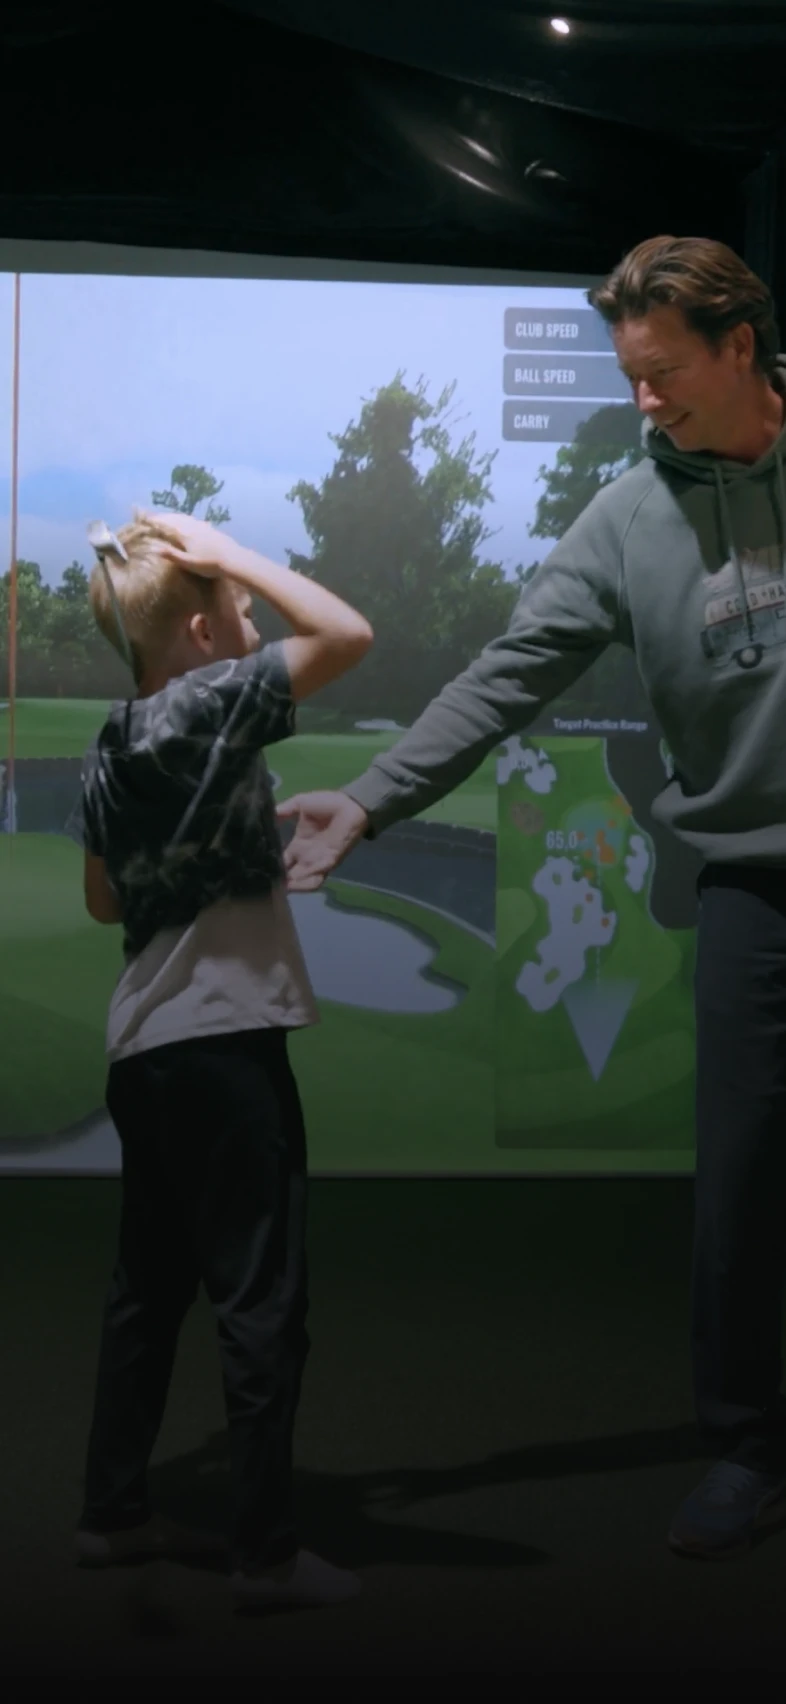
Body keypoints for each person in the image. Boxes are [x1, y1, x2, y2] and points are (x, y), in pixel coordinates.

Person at [278, 234, 786, 1562]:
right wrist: (369, 797)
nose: (645, 401)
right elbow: (505, 677)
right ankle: (742, 1444)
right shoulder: (624, 523)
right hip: (752, 887)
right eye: (630, 377)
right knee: (737, 1189)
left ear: (743, 349)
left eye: (665, 372)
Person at [73, 507, 372, 1611]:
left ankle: (110, 1515)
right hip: (227, 1050)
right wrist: (233, 554)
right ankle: (265, 1553)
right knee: (261, 1303)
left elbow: (108, 897)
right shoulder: (216, 698)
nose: (251, 610)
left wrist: (236, 836)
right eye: (239, 604)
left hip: (144, 1053)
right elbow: (348, 634)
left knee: (146, 1294)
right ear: (200, 631)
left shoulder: (112, 736)